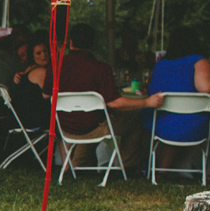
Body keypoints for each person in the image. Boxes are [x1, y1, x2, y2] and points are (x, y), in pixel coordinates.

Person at [44, 23, 164, 170]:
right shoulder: (100, 68)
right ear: (92, 44)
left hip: (64, 125)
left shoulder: (56, 65)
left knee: (94, 122)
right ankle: (127, 166)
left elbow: (46, 94)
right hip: (93, 126)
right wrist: (147, 102)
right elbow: (114, 102)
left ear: (70, 42)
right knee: (134, 120)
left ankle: (78, 164)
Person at [142, 26, 210, 181]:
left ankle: (162, 171)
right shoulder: (198, 62)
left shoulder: (160, 65)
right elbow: (208, 88)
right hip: (191, 125)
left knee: (173, 118)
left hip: (159, 125)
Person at [9, 37, 50, 129]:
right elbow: (50, 95)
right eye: (38, 53)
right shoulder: (41, 72)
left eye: (45, 51)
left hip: (20, 120)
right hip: (33, 121)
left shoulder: (27, 70)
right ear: (32, 56)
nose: (44, 55)